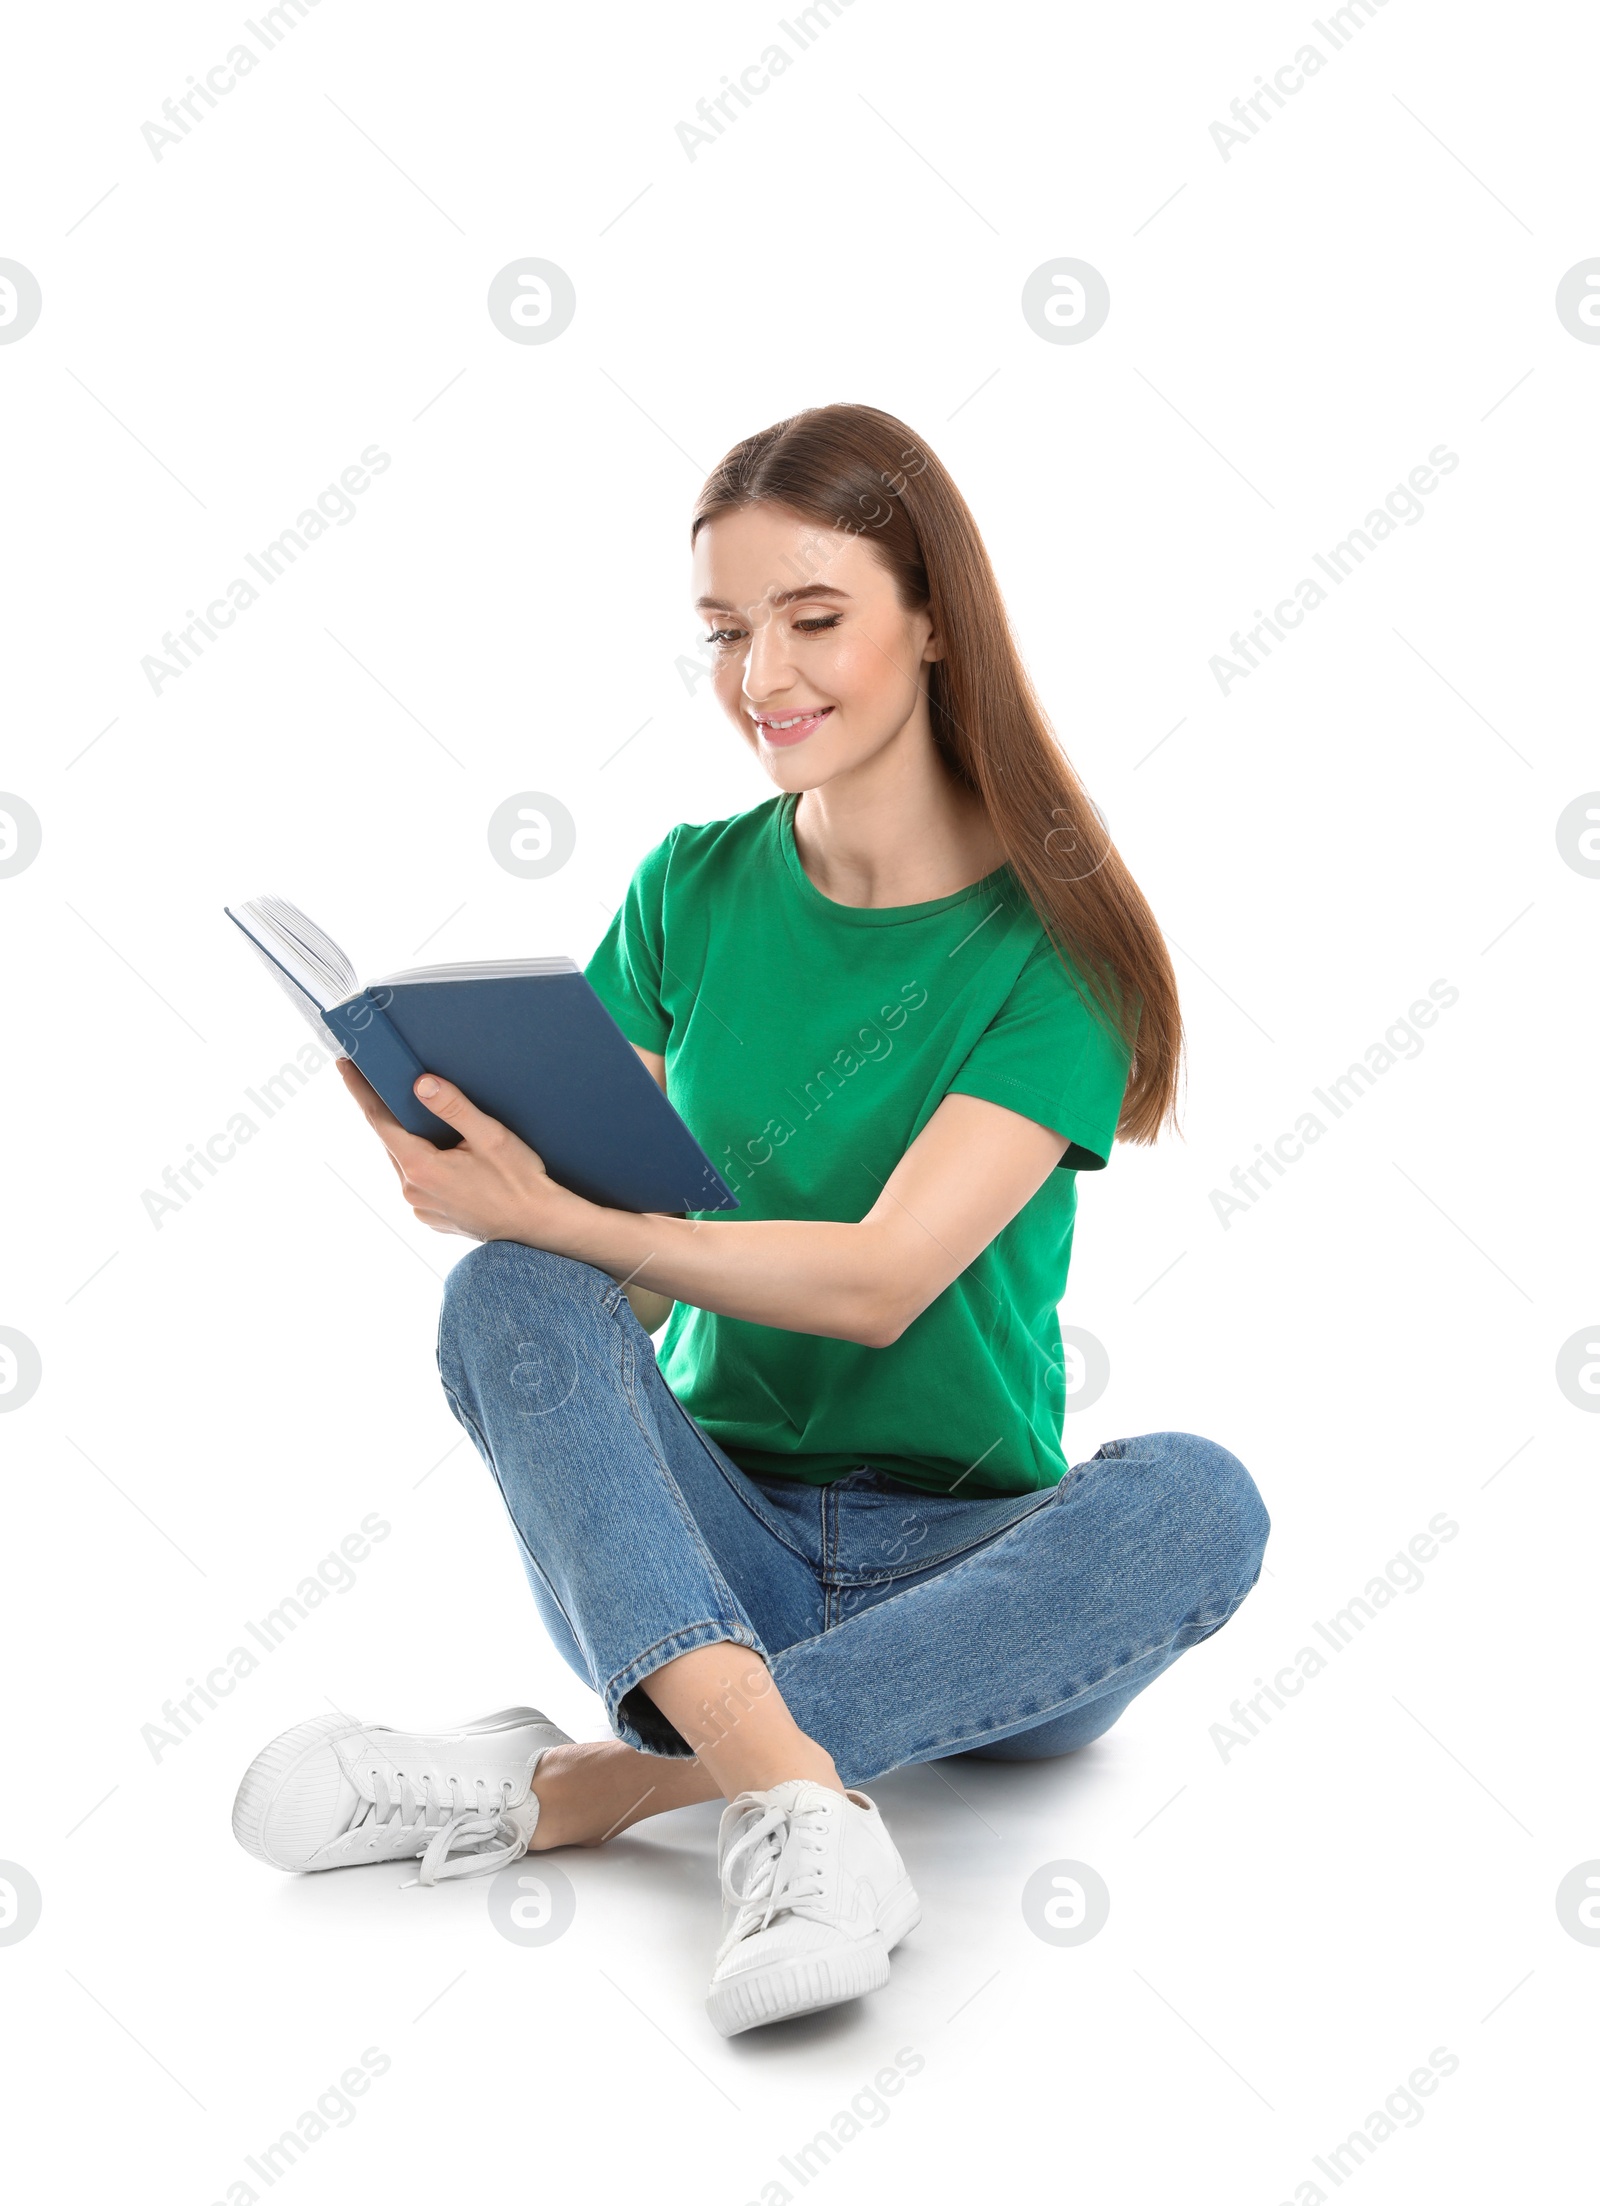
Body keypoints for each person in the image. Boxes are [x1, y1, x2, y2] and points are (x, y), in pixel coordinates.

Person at [230, 403, 1270, 2037]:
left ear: (933, 619)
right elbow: (618, 1291)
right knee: (511, 1289)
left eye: (812, 618)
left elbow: (878, 1284)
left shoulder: (1045, 947)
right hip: (710, 1547)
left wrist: (583, 1221)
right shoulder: (689, 889)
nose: (760, 677)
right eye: (727, 630)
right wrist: (511, 1193)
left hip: (977, 1561)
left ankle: (588, 1786)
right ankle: (795, 1800)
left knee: (1197, 1502)